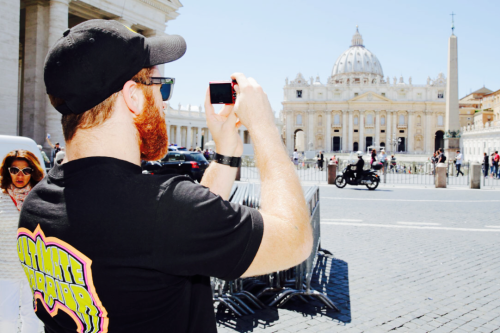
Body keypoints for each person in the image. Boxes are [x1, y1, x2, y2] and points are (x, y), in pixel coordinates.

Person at [18, 20, 312, 333]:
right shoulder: (163, 210)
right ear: (132, 96)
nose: (164, 101)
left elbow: (180, 233)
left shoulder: (36, 204)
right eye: (163, 87)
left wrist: (227, 151)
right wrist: (265, 127)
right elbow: (295, 238)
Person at [0, 150, 45, 332]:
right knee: (6, 319)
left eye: (26, 170)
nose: (20, 175)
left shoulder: (41, 197)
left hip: (35, 268)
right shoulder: (0, 197)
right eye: (14, 170)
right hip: (5, 268)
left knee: (33, 318)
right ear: (7, 171)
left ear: (33, 172)